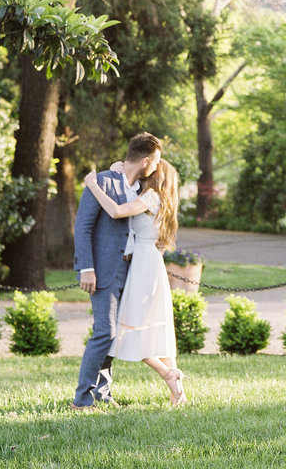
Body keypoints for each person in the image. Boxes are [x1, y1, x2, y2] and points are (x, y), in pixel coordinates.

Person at [83, 158, 187, 406]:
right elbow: (128, 181)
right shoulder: (162, 199)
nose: (144, 172)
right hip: (149, 262)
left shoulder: (151, 197)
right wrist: (119, 167)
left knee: (129, 332)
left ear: (155, 174)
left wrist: (93, 185)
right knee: (155, 330)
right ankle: (178, 392)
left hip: (142, 265)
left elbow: (117, 211)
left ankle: (168, 374)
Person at [71, 132, 162, 411]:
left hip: (131, 270)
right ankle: (82, 399)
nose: (158, 166)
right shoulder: (102, 181)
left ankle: (103, 392)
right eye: (156, 161)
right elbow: (82, 228)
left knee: (116, 333)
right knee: (105, 332)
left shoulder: (142, 190)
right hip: (102, 270)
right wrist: (86, 268)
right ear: (146, 160)